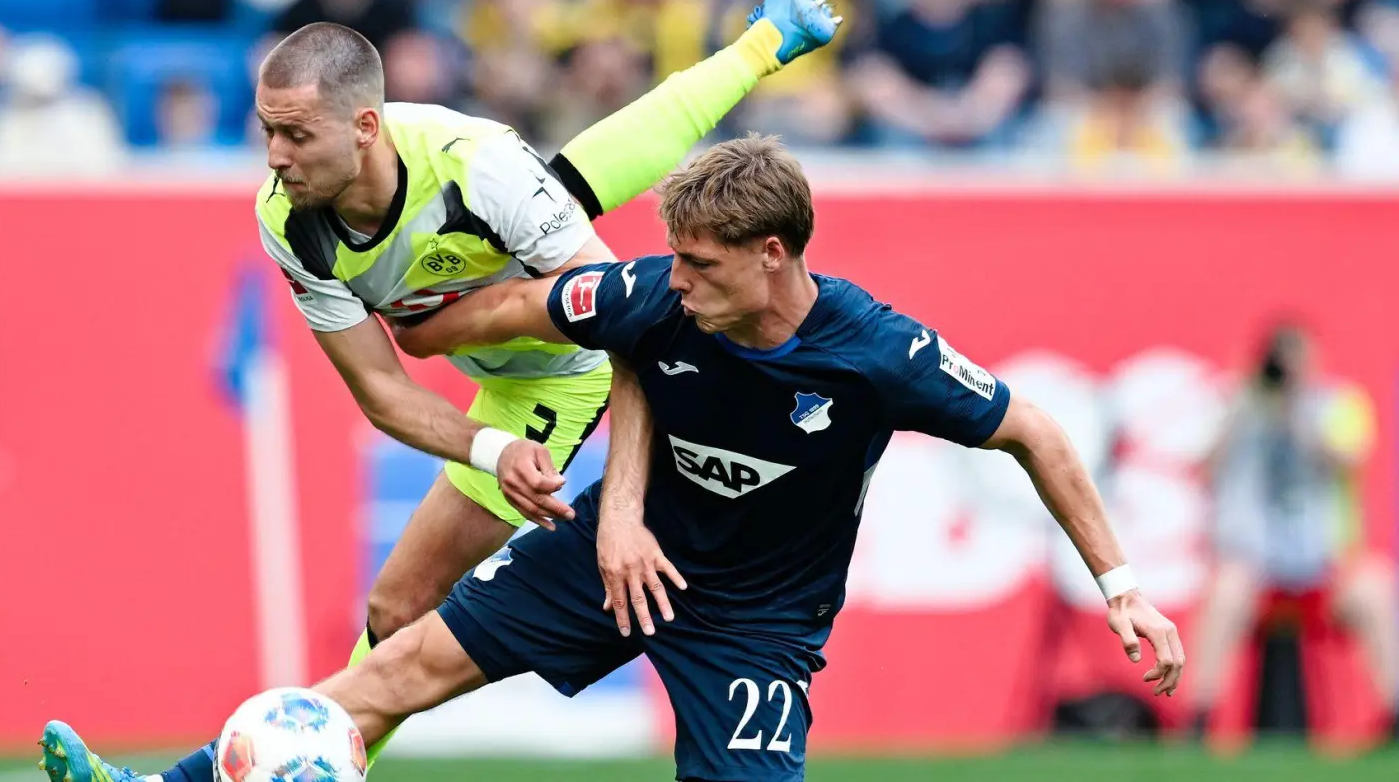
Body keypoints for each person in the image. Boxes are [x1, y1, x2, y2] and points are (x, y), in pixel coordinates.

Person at [38, 0, 841, 782]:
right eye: (267, 130)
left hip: (565, 374)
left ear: (365, 126)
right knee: (574, 178)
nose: (274, 156)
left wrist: (461, 335)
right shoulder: (291, 219)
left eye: (295, 135)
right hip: (505, 371)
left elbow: (626, 327)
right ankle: (770, 36)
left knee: (400, 607)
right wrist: (492, 448)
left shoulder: (476, 168)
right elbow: (382, 389)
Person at [163, 135, 1184, 781]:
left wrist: (1122, 587)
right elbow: (532, 304)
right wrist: (419, 330)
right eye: (676, 259)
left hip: (756, 620)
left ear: (772, 256)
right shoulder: (655, 295)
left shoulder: (878, 355)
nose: (676, 282)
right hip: (621, 557)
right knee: (399, 664)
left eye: (700, 264)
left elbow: (1034, 432)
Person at [1188, 321, 1398, 739]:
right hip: (1258, 567)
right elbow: (1204, 466)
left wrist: (1295, 408)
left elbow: (1345, 458)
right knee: (1225, 593)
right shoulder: (1243, 406)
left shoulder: (1338, 404)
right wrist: (1240, 406)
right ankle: (1199, 718)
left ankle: (1394, 712)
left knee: (1376, 589)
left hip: (1324, 566)